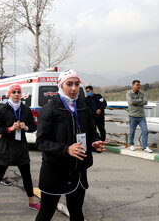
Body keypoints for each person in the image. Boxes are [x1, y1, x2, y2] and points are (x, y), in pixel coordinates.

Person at [35, 69, 107, 221]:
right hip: (55, 171)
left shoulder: (83, 107)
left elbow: (91, 132)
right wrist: (66, 149)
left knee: (77, 212)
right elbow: (41, 141)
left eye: (76, 84)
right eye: (69, 84)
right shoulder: (50, 109)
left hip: (78, 171)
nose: (74, 88)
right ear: (60, 85)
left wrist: (94, 142)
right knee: (46, 213)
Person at [0, 85, 39, 220]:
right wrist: (10, 128)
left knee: (27, 176)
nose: (16, 94)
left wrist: (26, 127)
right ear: (9, 94)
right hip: (6, 147)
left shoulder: (25, 109)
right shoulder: (2, 110)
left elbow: (34, 126)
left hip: (21, 147)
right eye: (14, 92)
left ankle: (32, 202)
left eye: (19, 92)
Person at [126, 80, 153, 153]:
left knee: (145, 131)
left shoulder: (142, 93)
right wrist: (140, 100)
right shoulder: (129, 93)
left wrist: (136, 101)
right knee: (132, 131)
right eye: (137, 85)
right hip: (133, 116)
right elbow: (131, 102)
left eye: (139, 85)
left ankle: (145, 147)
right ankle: (131, 144)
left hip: (141, 116)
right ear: (133, 85)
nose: (138, 86)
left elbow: (145, 102)